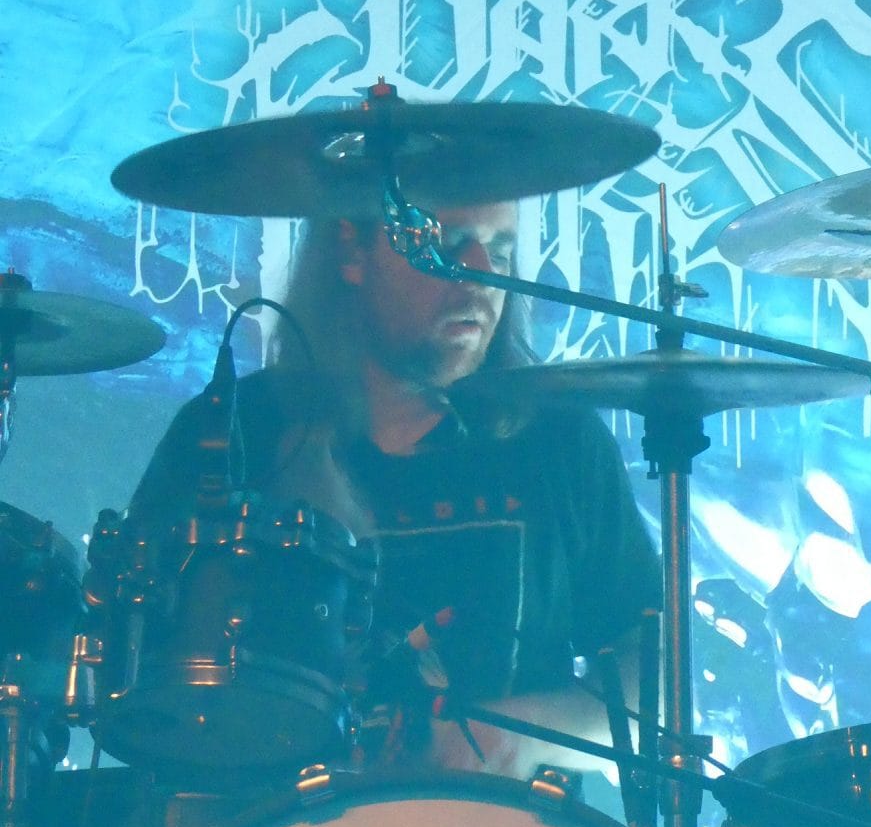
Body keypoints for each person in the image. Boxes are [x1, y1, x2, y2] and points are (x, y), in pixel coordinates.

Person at [128, 198, 660, 778]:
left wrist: (521, 736)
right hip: (273, 826)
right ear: (352, 253)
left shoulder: (557, 440)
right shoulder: (233, 433)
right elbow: (133, 667)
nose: (480, 276)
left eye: (500, 252)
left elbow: (651, 673)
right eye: (448, 246)